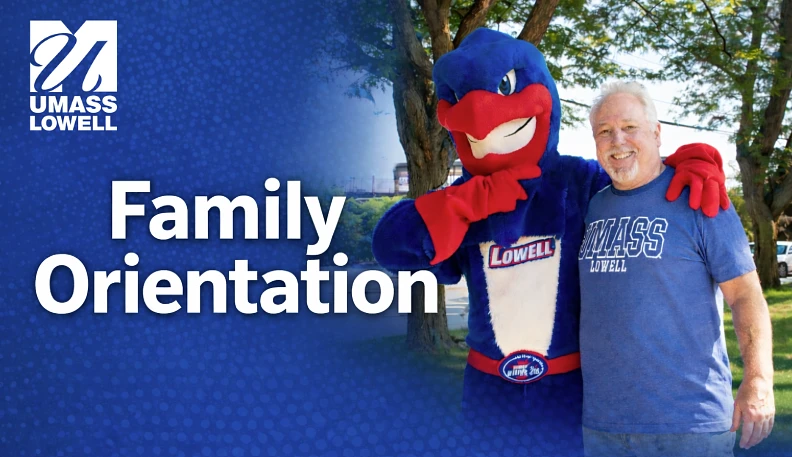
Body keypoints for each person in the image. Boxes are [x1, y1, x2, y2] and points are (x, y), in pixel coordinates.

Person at [578, 81, 775, 457]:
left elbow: (746, 294)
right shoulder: (593, 208)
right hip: (603, 427)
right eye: (604, 131)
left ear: (656, 132)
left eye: (629, 127)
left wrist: (759, 381)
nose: (617, 139)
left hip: (690, 427)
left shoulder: (702, 196)